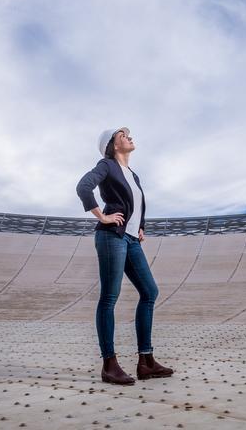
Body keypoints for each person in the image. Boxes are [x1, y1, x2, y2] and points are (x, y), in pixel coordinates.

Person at [76, 127, 174, 385]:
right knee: (109, 297)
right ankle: (109, 364)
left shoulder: (134, 175)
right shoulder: (106, 165)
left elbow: (135, 204)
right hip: (111, 237)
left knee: (150, 292)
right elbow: (83, 187)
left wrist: (140, 226)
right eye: (122, 134)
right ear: (113, 144)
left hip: (131, 240)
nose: (129, 136)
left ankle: (146, 361)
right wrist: (103, 216)